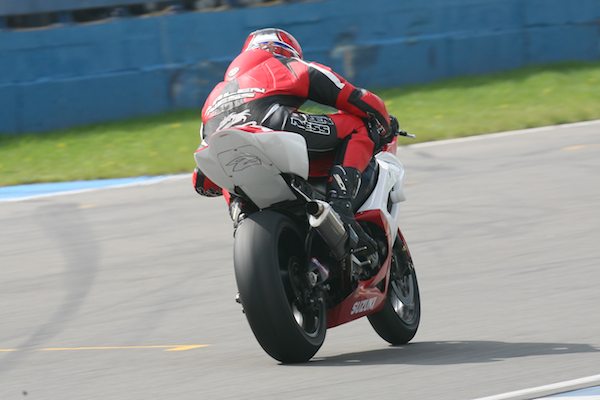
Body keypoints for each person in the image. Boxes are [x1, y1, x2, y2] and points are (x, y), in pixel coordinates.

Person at [193, 28, 399, 263]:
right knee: (358, 125)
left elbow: (204, 175)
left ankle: (241, 215)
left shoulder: (216, 92)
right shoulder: (288, 65)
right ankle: (340, 204)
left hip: (214, 154)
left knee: (227, 160)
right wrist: (383, 123)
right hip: (273, 123)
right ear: (286, 51)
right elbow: (354, 97)